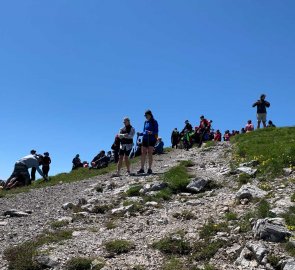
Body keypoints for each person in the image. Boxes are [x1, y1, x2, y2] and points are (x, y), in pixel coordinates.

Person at [137, 110, 159, 174]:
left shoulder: (154, 122)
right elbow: (144, 131)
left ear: (150, 115)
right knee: (143, 152)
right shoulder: (145, 122)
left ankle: (149, 168)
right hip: (145, 138)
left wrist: (151, 132)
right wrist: (140, 133)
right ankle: (142, 168)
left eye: (146, 115)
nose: (145, 116)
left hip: (152, 139)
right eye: (145, 116)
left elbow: (156, 131)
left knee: (150, 153)